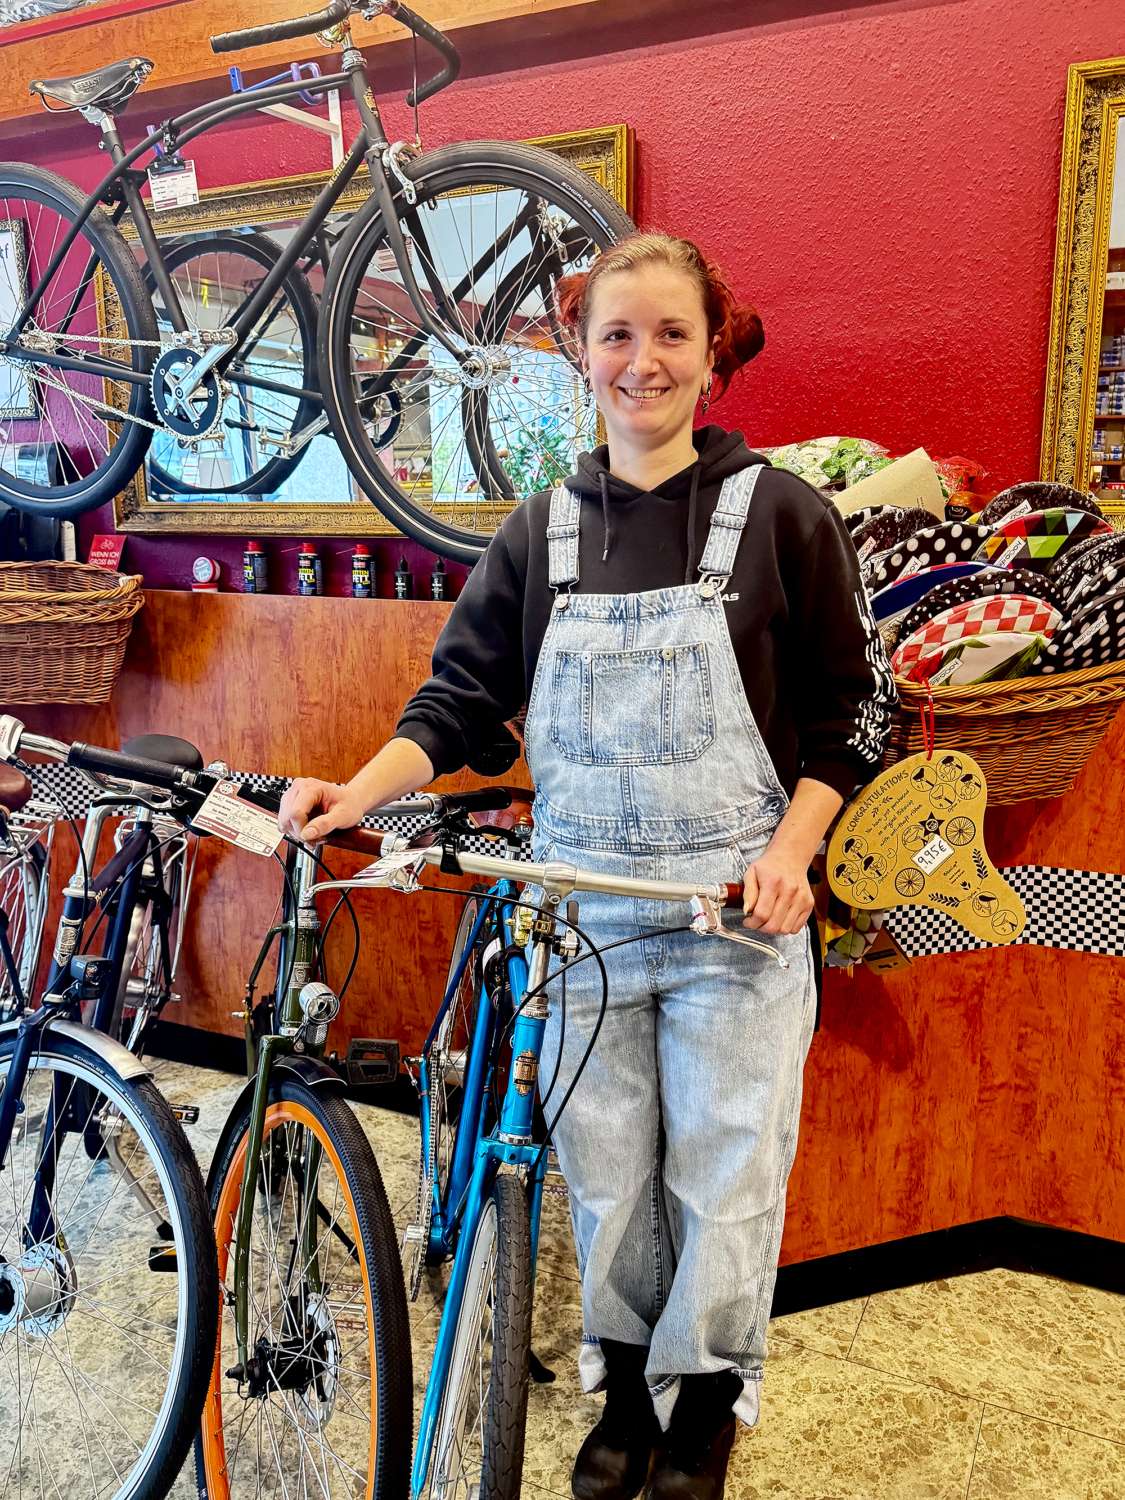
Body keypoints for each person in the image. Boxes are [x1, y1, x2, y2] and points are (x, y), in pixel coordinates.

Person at [278, 231, 895, 1500]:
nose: (642, 360)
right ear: (579, 352)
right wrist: (359, 788)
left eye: (671, 333)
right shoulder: (539, 531)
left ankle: (709, 1401)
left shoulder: (782, 514)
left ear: (712, 355)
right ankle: (622, 1387)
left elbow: (859, 712)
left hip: (736, 918)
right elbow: (455, 702)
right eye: (617, 334)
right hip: (584, 924)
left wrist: (794, 852)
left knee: (724, 1178)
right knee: (609, 1175)